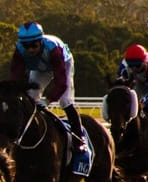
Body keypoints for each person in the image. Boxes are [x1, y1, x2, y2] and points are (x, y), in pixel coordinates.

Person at [9, 21, 89, 165]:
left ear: (41, 40)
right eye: (26, 46)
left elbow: (61, 82)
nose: (30, 50)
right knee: (31, 98)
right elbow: (16, 76)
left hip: (62, 64)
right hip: (40, 68)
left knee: (65, 101)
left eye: (34, 45)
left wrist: (48, 100)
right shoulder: (19, 50)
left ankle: (79, 139)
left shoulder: (53, 49)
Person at [113, 43, 148, 113]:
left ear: (145, 62)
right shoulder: (124, 65)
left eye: (137, 65)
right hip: (138, 78)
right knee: (134, 97)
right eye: (131, 66)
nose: (134, 69)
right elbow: (121, 86)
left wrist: (144, 103)